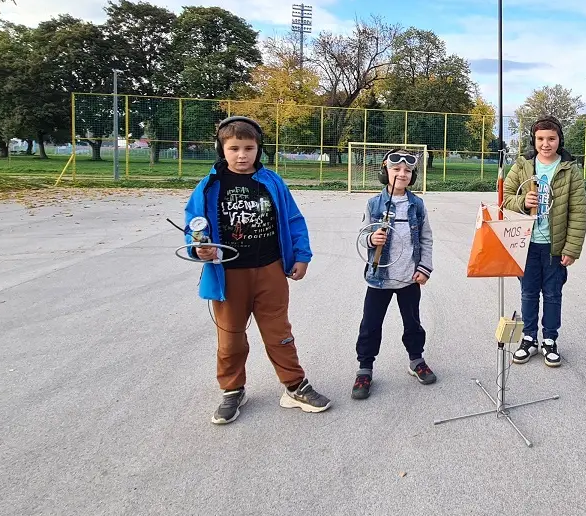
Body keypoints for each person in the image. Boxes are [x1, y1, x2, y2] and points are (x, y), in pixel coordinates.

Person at [184, 116, 332, 424]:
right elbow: (194, 225)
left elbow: (293, 219)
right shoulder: (209, 186)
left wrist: (301, 256)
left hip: (270, 271)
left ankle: (294, 386)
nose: (241, 155)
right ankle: (232, 390)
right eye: (234, 148)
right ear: (221, 150)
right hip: (228, 275)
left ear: (258, 148)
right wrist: (198, 247)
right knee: (230, 337)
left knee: (279, 333)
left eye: (248, 148)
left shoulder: (272, 182)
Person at [502, 116, 586, 367]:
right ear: (534, 140)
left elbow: (578, 211)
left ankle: (550, 339)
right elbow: (506, 198)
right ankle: (529, 338)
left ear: (559, 140)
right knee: (528, 293)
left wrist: (571, 248)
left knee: (552, 294)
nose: (546, 144)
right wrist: (521, 202)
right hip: (527, 245)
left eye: (551, 138)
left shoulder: (569, 170)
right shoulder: (522, 166)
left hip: (554, 246)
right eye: (540, 139)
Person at [351, 148, 437, 400]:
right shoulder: (373, 204)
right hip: (379, 280)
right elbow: (361, 236)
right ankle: (365, 368)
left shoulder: (417, 205)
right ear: (384, 171)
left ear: (413, 175)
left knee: (413, 323)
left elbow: (426, 238)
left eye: (408, 171)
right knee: (370, 326)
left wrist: (424, 268)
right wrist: (371, 239)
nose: (402, 174)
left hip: (409, 278)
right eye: (396, 169)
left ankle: (416, 360)